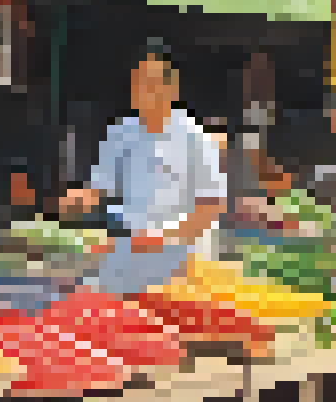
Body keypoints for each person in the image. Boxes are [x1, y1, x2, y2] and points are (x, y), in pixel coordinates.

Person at [58, 45, 227, 293]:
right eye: (138, 82)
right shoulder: (120, 132)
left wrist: (157, 240)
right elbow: (99, 188)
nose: (144, 91)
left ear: (172, 88)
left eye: (152, 83)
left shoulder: (196, 138)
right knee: (83, 298)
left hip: (184, 262)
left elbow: (208, 211)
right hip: (131, 253)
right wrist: (76, 200)